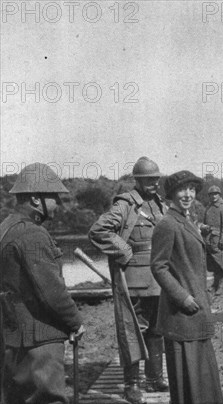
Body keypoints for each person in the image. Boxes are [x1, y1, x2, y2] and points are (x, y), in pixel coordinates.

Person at [1, 163, 84, 404]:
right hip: (40, 339)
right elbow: (51, 291)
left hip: (14, 334)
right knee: (46, 398)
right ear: (36, 199)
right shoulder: (33, 234)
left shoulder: (7, 227)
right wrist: (76, 321)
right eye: (54, 196)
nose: (58, 203)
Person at [88, 157, 168, 404]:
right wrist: (124, 251)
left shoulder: (159, 205)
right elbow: (98, 231)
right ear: (138, 180)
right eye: (148, 180)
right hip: (133, 279)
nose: (153, 183)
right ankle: (131, 384)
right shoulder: (126, 205)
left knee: (156, 329)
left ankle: (154, 378)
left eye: (156, 179)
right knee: (133, 331)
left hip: (158, 279)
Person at [150, 171, 223, 404]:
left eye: (192, 189)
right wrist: (182, 298)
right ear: (171, 194)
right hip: (182, 313)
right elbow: (158, 267)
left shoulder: (186, 220)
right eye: (182, 190)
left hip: (196, 310)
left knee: (201, 374)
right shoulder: (167, 224)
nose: (188, 194)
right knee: (188, 377)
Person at [203, 185, 223, 294]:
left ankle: (220, 286)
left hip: (219, 239)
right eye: (211, 194)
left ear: (219, 195)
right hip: (209, 239)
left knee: (221, 263)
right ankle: (215, 285)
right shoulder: (208, 207)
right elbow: (205, 222)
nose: (214, 196)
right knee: (213, 264)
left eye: (216, 194)